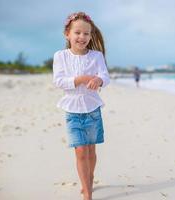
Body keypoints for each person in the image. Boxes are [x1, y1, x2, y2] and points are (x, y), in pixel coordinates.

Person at [52, 12, 110, 200]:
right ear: (67, 34)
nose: (82, 37)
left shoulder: (96, 56)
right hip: (72, 109)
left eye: (86, 34)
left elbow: (105, 76)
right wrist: (82, 79)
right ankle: (87, 192)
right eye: (77, 33)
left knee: (91, 149)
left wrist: (99, 80)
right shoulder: (60, 56)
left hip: (93, 108)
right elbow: (59, 81)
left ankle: (90, 178)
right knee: (80, 151)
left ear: (91, 36)